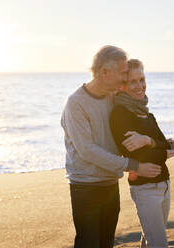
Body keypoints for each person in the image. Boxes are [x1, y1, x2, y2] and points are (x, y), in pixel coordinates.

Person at [61, 46, 163, 248]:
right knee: (88, 243)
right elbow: (87, 150)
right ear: (104, 72)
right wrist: (134, 165)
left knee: (107, 242)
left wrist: (153, 141)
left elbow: (139, 108)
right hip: (85, 186)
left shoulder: (113, 97)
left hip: (109, 183)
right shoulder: (76, 104)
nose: (125, 78)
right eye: (123, 73)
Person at [109, 59, 174, 248]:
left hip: (164, 184)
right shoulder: (120, 114)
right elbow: (142, 156)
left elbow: (159, 142)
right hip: (145, 189)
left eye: (141, 79)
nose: (139, 86)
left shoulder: (147, 114)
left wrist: (153, 141)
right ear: (122, 85)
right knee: (159, 244)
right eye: (133, 81)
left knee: (149, 240)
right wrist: (166, 149)